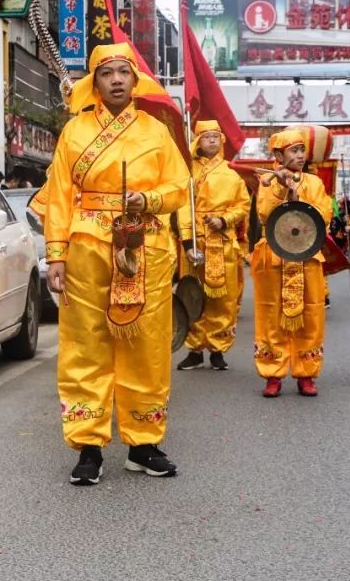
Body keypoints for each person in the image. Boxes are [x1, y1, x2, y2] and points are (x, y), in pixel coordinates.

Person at [43, 43, 189, 485]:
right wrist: (56, 253)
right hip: (87, 247)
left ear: (136, 78)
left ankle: (143, 444)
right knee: (85, 344)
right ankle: (88, 446)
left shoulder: (155, 131)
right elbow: (59, 196)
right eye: (107, 73)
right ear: (95, 82)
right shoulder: (74, 132)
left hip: (144, 247)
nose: (117, 80)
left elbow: (180, 187)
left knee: (146, 346)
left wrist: (149, 199)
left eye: (124, 71)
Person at [252, 128, 332, 398]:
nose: (300, 155)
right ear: (278, 154)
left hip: (306, 255)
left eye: (302, 150)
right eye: (294, 150)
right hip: (274, 257)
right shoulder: (267, 182)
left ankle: (306, 372)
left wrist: (297, 194)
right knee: (270, 316)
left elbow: (324, 214)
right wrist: (280, 188)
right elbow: (264, 216)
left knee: (311, 315)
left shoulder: (314, 182)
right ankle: (272, 372)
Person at [175, 120, 251, 372]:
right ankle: (195, 349)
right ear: (197, 140)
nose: (211, 141)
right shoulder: (186, 172)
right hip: (197, 241)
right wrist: (187, 240)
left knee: (224, 298)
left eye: (215, 137)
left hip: (223, 241)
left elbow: (243, 205)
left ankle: (218, 348)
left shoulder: (231, 174)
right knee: (193, 294)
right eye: (206, 136)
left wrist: (224, 219)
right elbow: (182, 207)